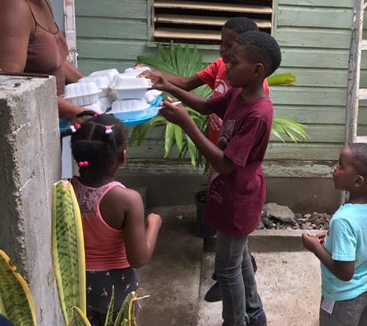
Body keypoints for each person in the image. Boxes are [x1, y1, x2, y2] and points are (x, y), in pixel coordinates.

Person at [155, 31, 281, 326]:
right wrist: (168, 87)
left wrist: (186, 124)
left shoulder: (258, 113)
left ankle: (235, 321)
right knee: (238, 259)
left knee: (227, 269)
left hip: (240, 197)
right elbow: (205, 107)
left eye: (233, 62)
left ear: (257, 70)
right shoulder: (239, 93)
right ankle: (255, 312)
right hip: (228, 193)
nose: (226, 66)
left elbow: (226, 165)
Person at [140, 17, 265, 302]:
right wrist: (160, 80)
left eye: (229, 47)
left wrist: (186, 123)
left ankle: (231, 280)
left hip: (231, 166)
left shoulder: (253, 99)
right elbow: (199, 96)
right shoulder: (226, 68)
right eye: (222, 45)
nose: (223, 54)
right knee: (228, 232)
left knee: (231, 242)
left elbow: (231, 162)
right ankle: (247, 294)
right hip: (218, 156)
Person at [63, 114, 163, 325]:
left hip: (78, 285)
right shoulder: (127, 200)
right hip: (118, 286)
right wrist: (154, 224)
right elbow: (139, 258)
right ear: (123, 156)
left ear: (77, 156)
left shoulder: (64, 189)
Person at [0, 0, 87, 123]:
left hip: (52, 122)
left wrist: (93, 85)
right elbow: (12, 86)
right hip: (31, 130)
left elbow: (52, 60)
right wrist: (77, 113)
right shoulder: (12, 5)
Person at [302, 143, 367, 326]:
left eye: (341, 165)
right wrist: (333, 238)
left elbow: (344, 273)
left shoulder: (343, 219)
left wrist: (315, 247)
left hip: (344, 298)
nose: (335, 168)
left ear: (358, 181)